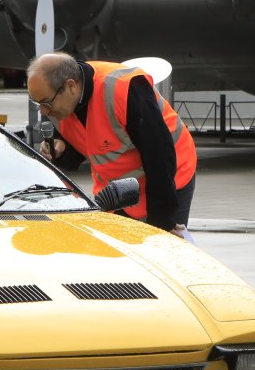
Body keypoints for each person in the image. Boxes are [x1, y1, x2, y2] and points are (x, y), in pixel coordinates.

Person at [26, 52, 196, 238]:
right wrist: (61, 150)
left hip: (169, 177)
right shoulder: (58, 105)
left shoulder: (123, 87)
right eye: (37, 103)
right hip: (119, 188)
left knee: (161, 244)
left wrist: (162, 221)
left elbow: (159, 155)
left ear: (71, 86)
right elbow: (83, 147)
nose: (43, 111)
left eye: (46, 103)